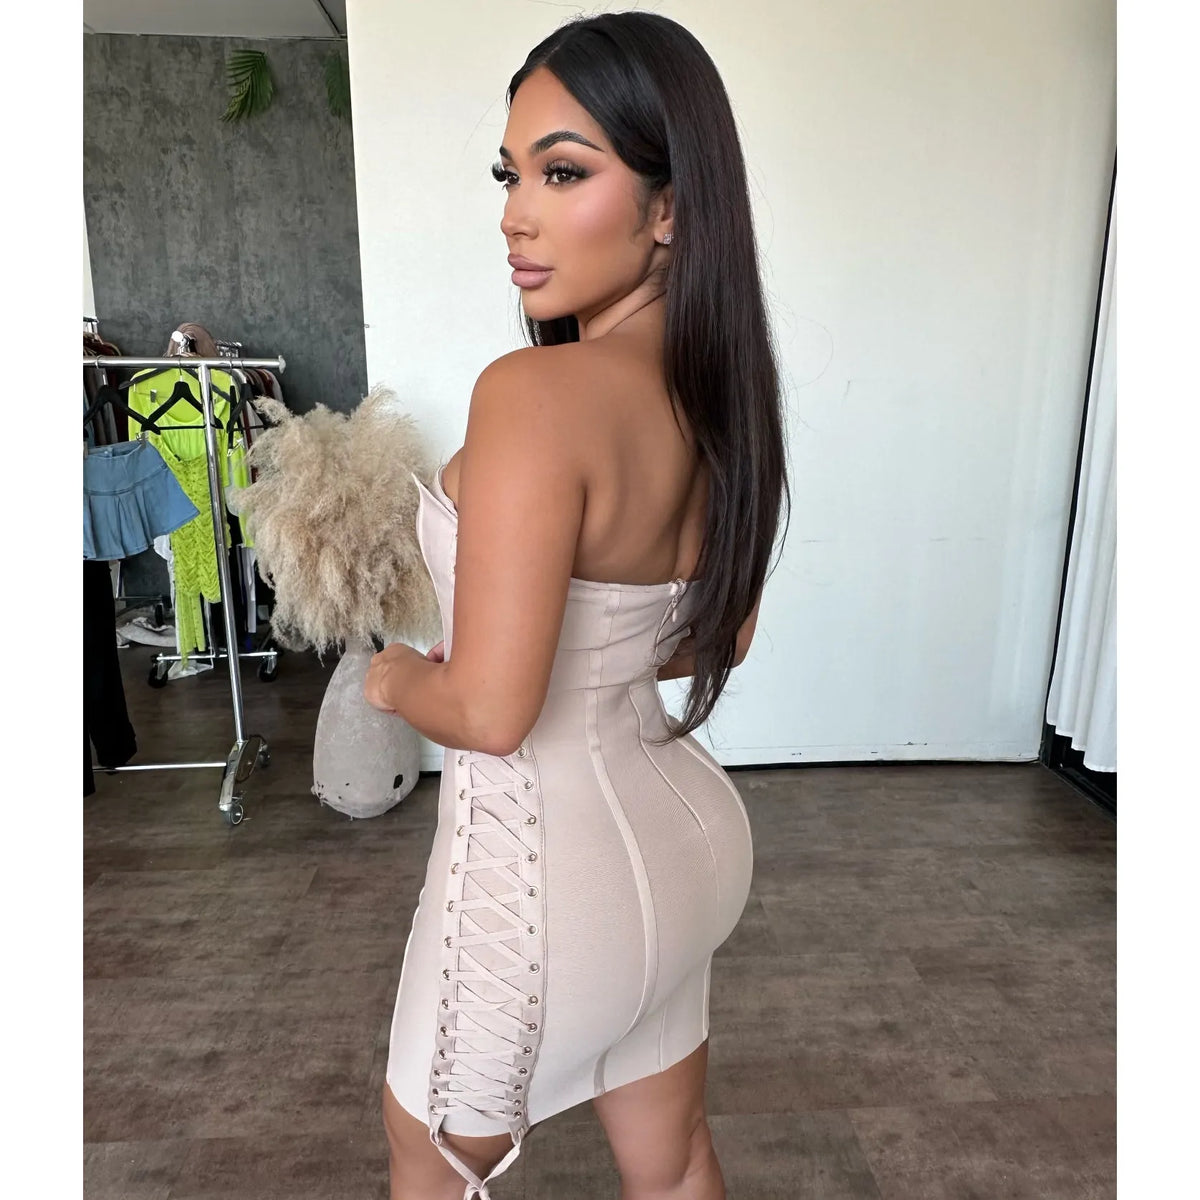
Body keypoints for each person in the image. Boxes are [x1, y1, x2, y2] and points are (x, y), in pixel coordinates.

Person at [363, 11, 789, 1199]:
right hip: (685, 840)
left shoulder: (535, 393)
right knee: (675, 1160)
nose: (516, 213)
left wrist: (392, 678)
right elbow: (717, 635)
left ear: (670, 207)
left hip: (542, 877)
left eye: (563, 172)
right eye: (509, 175)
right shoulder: (719, 394)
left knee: (430, 1164)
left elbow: (490, 713)